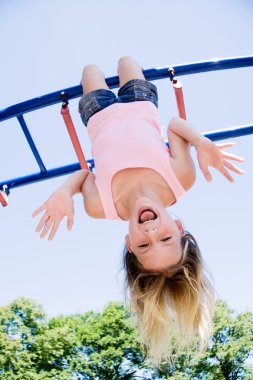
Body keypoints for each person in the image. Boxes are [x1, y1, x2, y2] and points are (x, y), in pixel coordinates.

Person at [32, 56, 244, 365]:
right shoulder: (181, 180)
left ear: (129, 243)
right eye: (166, 239)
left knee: (90, 70)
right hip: (140, 102)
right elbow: (173, 125)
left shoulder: (101, 206)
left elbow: (84, 177)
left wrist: (65, 191)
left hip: (98, 113)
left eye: (144, 245)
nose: (151, 232)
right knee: (126, 61)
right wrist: (200, 142)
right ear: (180, 227)